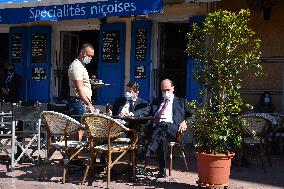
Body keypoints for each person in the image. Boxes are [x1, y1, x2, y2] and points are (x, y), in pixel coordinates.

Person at [137, 79, 189, 178]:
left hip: (173, 131)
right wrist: (132, 113)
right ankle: (162, 171)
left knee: (163, 125)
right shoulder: (157, 101)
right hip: (157, 131)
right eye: (163, 90)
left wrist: (185, 121)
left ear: (173, 88)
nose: (166, 92)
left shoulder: (181, 102)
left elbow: (192, 113)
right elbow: (146, 111)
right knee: (162, 137)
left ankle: (146, 152)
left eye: (168, 90)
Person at [68, 43, 95, 141]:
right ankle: (74, 153)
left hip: (81, 101)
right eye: (89, 56)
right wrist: (88, 104)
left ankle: (73, 152)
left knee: (80, 129)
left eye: (92, 56)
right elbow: (79, 89)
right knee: (78, 129)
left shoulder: (81, 65)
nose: (90, 58)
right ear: (82, 53)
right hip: (79, 102)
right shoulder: (76, 67)